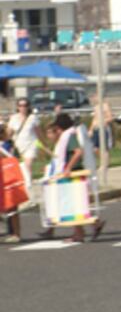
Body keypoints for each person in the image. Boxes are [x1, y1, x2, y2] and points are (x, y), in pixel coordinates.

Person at [42, 114, 105, 243]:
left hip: (74, 173)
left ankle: (83, 231)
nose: (56, 130)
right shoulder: (68, 135)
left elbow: (78, 151)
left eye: (57, 127)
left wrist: (68, 168)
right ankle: (86, 229)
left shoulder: (69, 136)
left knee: (74, 204)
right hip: (72, 173)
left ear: (60, 127)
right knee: (75, 205)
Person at [8, 97, 41, 196]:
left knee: (28, 164)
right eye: (20, 105)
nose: (23, 107)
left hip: (31, 144)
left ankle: (29, 186)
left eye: (25, 105)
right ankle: (25, 184)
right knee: (20, 168)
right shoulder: (13, 118)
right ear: (18, 107)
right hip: (19, 146)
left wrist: (41, 143)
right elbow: (9, 133)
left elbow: (38, 132)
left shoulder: (33, 118)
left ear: (28, 106)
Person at [1, 124, 21, 244]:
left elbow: (12, 159)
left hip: (8, 179)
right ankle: (13, 232)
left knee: (12, 208)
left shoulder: (8, 145)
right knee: (10, 208)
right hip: (5, 178)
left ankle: (16, 233)